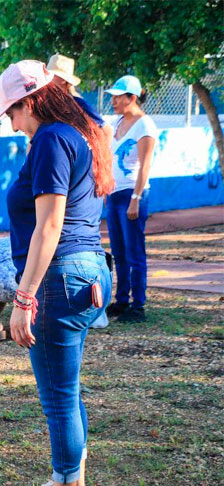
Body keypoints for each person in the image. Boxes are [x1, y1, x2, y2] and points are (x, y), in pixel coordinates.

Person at [0, 60, 113, 486]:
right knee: (68, 391)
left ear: (31, 101)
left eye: (13, 113)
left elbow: (50, 225)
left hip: (61, 279)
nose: (15, 125)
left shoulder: (51, 139)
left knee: (58, 399)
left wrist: (24, 298)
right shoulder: (82, 129)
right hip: (87, 274)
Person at [104, 75, 157, 323]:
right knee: (118, 251)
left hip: (132, 194)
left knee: (135, 250)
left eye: (118, 96)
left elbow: (145, 165)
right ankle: (121, 300)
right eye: (113, 96)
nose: (113, 100)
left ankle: (139, 305)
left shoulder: (145, 126)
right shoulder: (116, 123)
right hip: (114, 194)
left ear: (132, 98)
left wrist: (135, 198)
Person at [46, 54, 114, 144]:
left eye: (53, 75)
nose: (48, 79)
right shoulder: (45, 105)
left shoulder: (79, 105)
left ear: (65, 81)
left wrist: (102, 157)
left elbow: (107, 131)